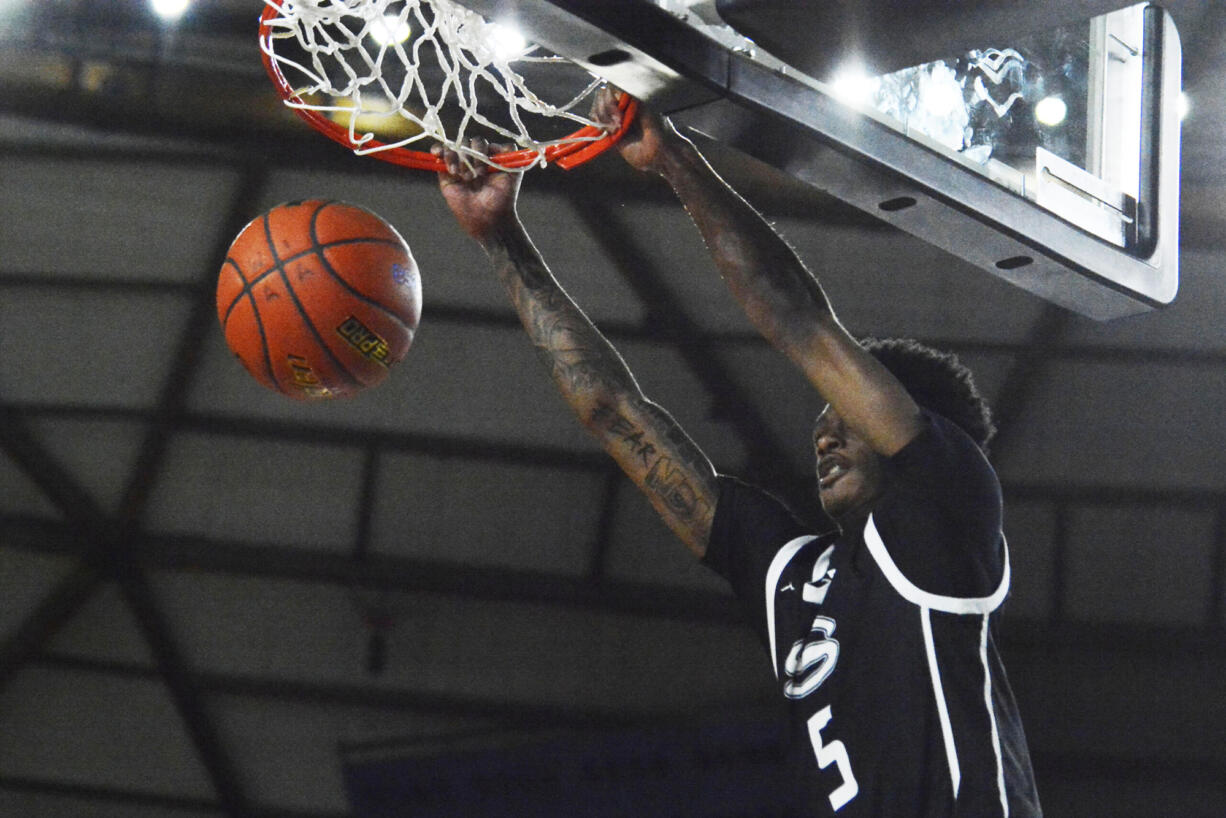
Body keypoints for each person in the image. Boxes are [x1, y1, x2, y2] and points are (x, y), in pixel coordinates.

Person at [433, 89, 1042, 817]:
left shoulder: (951, 516)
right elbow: (617, 418)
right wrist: (501, 238)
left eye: (843, 415)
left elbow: (797, 320)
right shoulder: (797, 578)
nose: (823, 434)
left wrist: (675, 162)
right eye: (821, 421)